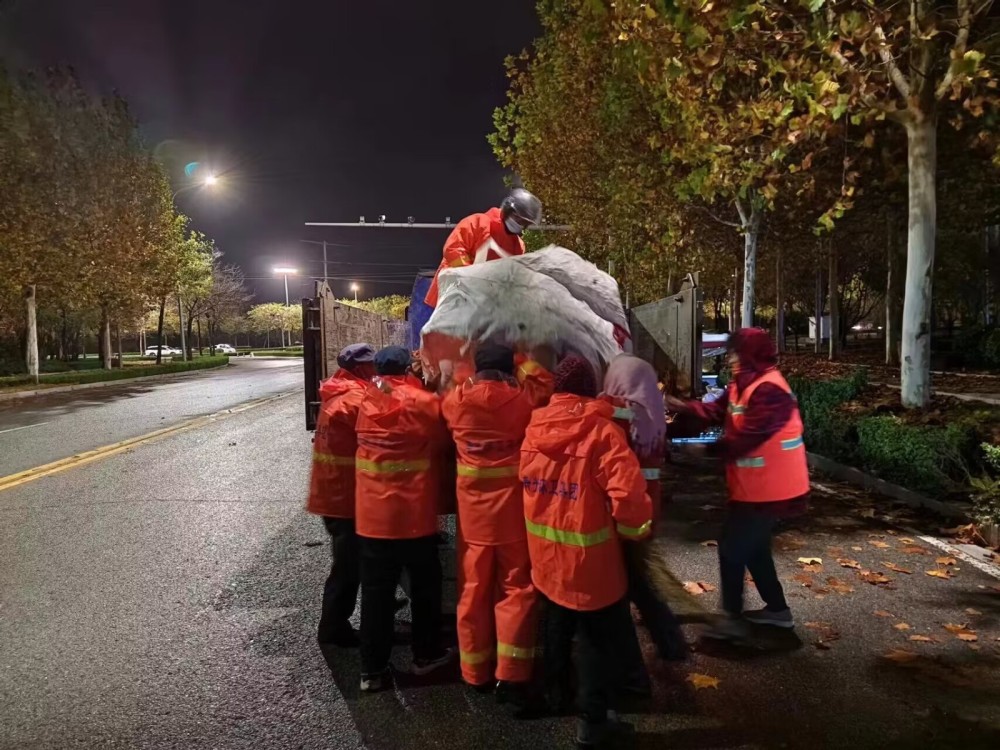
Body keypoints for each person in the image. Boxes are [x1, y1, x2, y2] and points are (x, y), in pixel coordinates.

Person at [520, 355, 653, 748]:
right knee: (596, 640)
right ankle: (594, 722)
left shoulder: (532, 431)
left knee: (557, 625)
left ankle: (556, 693)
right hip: (591, 562)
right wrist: (634, 532)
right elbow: (629, 499)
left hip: (547, 557)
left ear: (558, 391)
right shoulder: (602, 433)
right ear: (588, 388)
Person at [666, 328, 810, 640]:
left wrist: (707, 449)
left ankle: (731, 619)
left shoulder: (769, 389)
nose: (729, 358)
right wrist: (681, 406)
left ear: (750, 354)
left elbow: (748, 437)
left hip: (772, 491)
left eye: (734, 353)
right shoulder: (744, 384)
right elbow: (715, 410)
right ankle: (778, 612)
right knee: (755, 550)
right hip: (755, 489)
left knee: (732, 547)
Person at [441, 343, 552, 707]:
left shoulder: (456, 402)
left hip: (473, 517)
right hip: (512, 514)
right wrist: (524, 359)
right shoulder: (522, 403)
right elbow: (546, 386)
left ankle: (475, 672)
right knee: (516, 588)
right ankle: (513, 672)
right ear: (509, 369)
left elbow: (449, 386)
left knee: (473, 590)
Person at [354, 346, 456, 691]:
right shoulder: (425, 403)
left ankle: (372, 670)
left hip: (372, 517)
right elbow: (444, 444)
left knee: (375, 593)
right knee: (426, 587)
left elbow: (382, 392)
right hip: (414, 515)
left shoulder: (364, 401)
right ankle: (425, 655)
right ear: (408, 369)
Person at [602, 354, 687, 666]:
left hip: (627, 510)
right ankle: (667, 641)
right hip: (648, 508)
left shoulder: (621, 414)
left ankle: (664, 644)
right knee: (636, 576)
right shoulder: (652, 414)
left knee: (633, 581)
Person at [306, 343, 376, 647]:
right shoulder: (355, 399)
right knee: (347, 567)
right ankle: (333, 628)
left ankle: (370, 604)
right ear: (361, 368)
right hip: (344, 496)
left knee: (354, 561)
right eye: (372, 365)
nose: (376, 369)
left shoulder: (338, 390)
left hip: (332, 492)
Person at [424, 188, 543, 308]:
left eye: (524, 222)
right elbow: (453, 249)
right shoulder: (478, 223)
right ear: (508, 210)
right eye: (518, 218)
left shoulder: (518, 247)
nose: (520, 224)